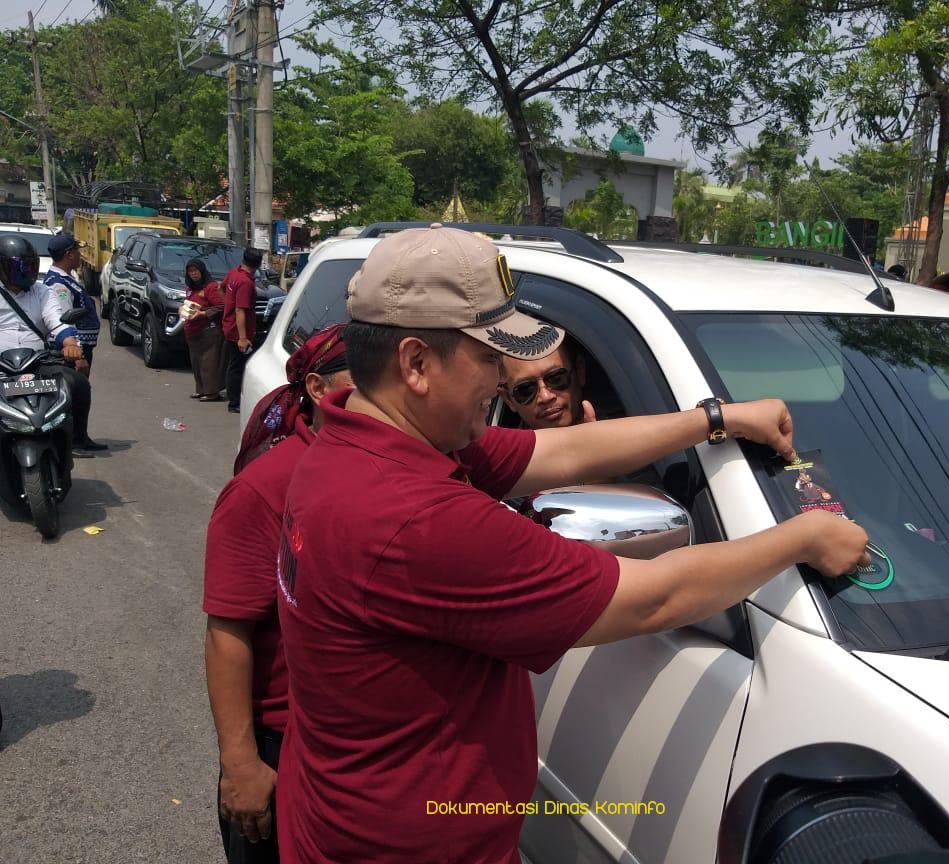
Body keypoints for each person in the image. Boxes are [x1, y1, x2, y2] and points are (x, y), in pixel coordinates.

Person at [272, 224, 870, 863]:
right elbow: (652, 599)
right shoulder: (414, 518)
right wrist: (801, 536)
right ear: (417, 363)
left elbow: (557, 450)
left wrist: (717, 418)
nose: (504, 383)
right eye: (490, 357)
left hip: (341, 810)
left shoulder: (355, 445)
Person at [204, 324, 352, 864]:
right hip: (282, 748)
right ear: (317, 389)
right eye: (368, 385)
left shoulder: (379, 472)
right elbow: (228, 632)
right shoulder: (264, 489)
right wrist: (240, 762)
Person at [0, 234, 105, 455]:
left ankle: (72, 440)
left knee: (77, 384)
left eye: (30, 265)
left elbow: (56, 320)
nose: (25, 271)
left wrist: (70, 343)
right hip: (2, 365)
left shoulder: (42, 291)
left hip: (36, 361)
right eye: (20, 266)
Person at [498, 340, 594, 429]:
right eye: (526, 389)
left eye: (556, 379)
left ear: (580, 371)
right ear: (508, 399)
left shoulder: (609, 432)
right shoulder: (504, 447)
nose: (546, 397)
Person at [42, 232, 100, 377]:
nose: (81, 255)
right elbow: (65, 321)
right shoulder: (58, 284)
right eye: (78, 251)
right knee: (74, 394)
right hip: (71, 353)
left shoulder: (66, 278)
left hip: (77, 350)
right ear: (69, 255)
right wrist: (79, 357)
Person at [222, 247, 263, 414]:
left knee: (234, 364)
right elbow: (240, 310)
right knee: (237, 366)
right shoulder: (245, 282)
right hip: (238, 330)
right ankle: (234, 402)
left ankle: (234, 397)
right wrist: (243, 338)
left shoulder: (233, 273)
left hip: (229, 325)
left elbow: (221, 288)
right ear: (258, 264)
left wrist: (227, 305)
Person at [184, 258, 227, 402]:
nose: (193, 274)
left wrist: (203, 313)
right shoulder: (191, 287)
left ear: (202, 271)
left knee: (209, 363)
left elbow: (221, 305)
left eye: (196, 271)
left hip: (207, 331)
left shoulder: (210, 287)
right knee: (197, 363)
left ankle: (212, 392)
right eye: (190, 271)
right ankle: (201, 389)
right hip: (193, 331)